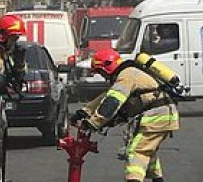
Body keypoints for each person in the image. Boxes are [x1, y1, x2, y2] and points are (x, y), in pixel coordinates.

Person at [74, 47, 179, 182]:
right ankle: (157, 179)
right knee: (147, 150)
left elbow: (112, 102)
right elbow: (107, 95)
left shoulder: (126, 76)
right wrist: (85, 111)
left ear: (108, 65)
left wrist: (93, 123)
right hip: (162, 115)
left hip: (156, 116)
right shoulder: (129, 73)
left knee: (136, 152)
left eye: (100, 71)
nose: (102, 76)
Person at [0, 14, 27, 86]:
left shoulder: (6, 54)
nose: (15, 41)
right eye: (13, 37)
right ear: (3, 36)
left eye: (17, 38)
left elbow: (17, 79)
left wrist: (19, 64)